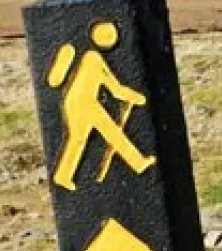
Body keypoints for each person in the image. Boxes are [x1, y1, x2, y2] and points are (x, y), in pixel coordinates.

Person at [47, 21, 156, 191]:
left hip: (77, 101)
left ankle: (63, 175)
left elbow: (114, 88)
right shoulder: (93, 58)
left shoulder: (90, 58)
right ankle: (138, 162)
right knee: (111, 131)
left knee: (78, 139)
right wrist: (136, 98)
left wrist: (133, 97)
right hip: (83, 102)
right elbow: (115, 89)